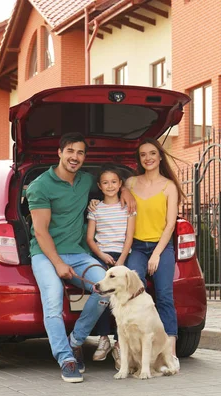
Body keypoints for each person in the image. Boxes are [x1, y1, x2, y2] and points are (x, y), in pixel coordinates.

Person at [26, 132, 135, 383]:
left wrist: (126, 191)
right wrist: (58, 264)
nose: (75, 157)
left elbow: (115, 180)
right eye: (70, 151)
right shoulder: (40, 186)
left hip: (78, 253)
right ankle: (66, 358)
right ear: (60, 153)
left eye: (80, 153)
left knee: (108, 289)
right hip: (45, 255)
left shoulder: (86, 180)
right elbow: (40, 232)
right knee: (52, 303)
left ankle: (76, 340)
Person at [124, 137, 185, 370]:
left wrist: (157, 254)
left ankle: (170, 353)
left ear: (160, 156)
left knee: (164, 295)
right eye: (143, 155)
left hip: (161, 247)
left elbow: (170, 225)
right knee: (132, 293)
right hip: (137, 247)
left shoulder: (169, 186)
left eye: (152, 153)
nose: (148, 158)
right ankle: (129, 349)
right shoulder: (130, 182)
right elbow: (116, 191)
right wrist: (123, 192)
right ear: (139, 159)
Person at [86, 164, 135, 368]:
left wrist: (122, 260)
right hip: (102, 255)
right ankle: (103, 338)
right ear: (99, 185)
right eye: (105, 183)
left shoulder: (128, 208)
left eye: (114, 182)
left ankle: (119, 343)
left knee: (123, 299)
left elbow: (129, 237)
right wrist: (102, 255)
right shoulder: (96, 209)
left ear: (120, 184)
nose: (110, 186)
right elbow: (90, 238)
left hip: (122, 257)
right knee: (102, 297)